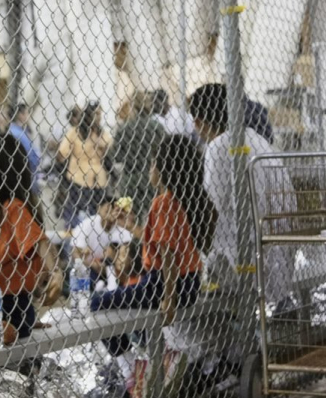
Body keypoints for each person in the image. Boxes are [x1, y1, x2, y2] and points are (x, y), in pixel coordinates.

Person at [189, 83, 294, 304]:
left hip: (244, 263)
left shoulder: (217, 147)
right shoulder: (257, 139)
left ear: (198, 122)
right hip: (277, 257)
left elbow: (212, 209)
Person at [92, 135, 216, 316]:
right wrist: (130, 226)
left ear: (163, 169)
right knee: (124, 298)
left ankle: (128, 338)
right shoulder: (184, 199)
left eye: (152, 164)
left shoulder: (162, 203)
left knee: (97, 301)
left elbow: (168, 252)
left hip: (164, 284)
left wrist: (169, 299)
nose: (149, 170)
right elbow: (160, 243)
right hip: (190, 282)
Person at [0, 132, 63, 345]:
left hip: (2, 303)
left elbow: (41, 243)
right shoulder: (1, 210)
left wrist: (56, 273)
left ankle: (12, 329)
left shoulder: (13, 208)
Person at [110, 91, 166, 221]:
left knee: (130, 219)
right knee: (155, 218)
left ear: (132, 106)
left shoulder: (124, 128)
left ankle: (134, 232)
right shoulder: (157, 127)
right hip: (152, 178)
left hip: (130, 179)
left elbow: (116, 157)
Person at [57, 102, 113, 229]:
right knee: (76, 213)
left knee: (97, 215)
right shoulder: (75, 132)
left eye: (100, 114)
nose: (99, 118)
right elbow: (62, 154)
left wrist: (99, 144)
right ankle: (74, 233)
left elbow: (109, 145)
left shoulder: (101, 133)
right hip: (78, 180)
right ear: (88, 115)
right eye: (96, 114)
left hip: (98, 181)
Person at [72, 195, 132, 278]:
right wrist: (92, 264)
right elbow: (75, 253)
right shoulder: (87, 224)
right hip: (89, 267)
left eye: (114, 209)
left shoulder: (121, 227)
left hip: (113, 269)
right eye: (107, 210)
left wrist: (113, 257)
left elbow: (126, 259)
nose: (111, 213)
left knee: (112, 253)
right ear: (99, 209)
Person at [7, 103, 41, 192]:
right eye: (26, 113)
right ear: (20, 115)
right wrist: (36, 161)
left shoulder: (14, 130)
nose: (28, 116)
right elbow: (30, 154)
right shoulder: (18, 134)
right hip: (25, 173)